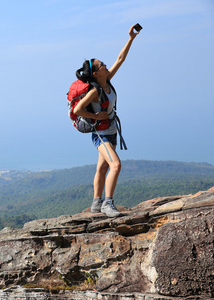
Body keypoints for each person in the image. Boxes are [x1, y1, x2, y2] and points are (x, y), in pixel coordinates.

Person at [73, 25, 140, 217]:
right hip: (100, 134)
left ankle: (96, 203)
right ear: (95, 73)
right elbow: (78, 110)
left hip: (110, 131)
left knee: (102, 167)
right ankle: (107, 204)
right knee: (116, 165)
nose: (105, 65)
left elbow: (120, 59)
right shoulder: (94, 91)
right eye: (101, 65)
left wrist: (131, 39)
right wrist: (96, 117)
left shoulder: (107, 80)